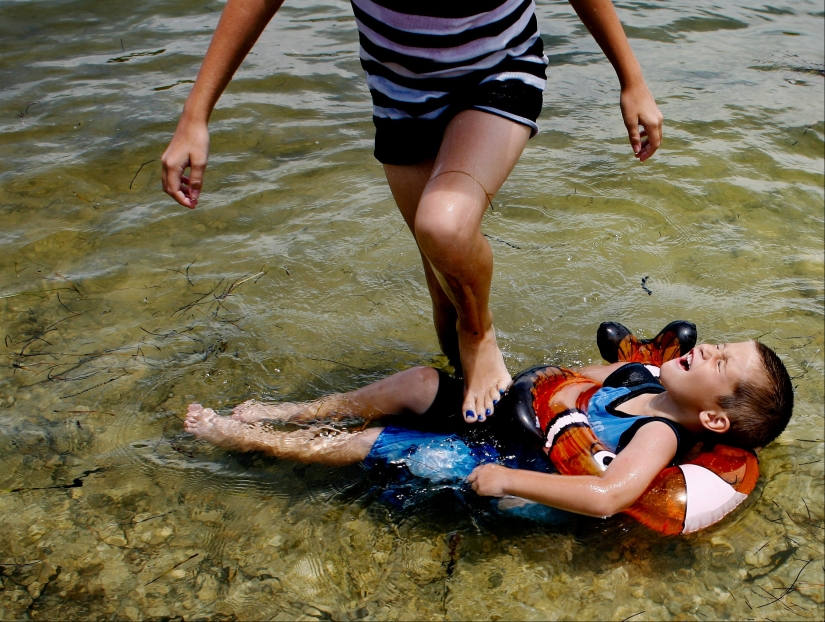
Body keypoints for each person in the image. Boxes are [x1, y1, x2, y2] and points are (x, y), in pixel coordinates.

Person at [161, 1, 665, 423]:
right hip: (401, 98)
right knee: (445, 298)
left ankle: (481, 336)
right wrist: (195, 115)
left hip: (499, 70)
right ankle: (469, 409)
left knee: (444, 225)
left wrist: (632, 79)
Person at [183, 339, 793, 518]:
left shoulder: (658, 434)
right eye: (720, 343)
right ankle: (292, 413)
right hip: (520, 421)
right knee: (420, 381)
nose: (707, 346)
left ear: (713, 418)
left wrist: (504, 480)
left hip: (516, 460)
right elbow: (566, 377)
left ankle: (255, 440)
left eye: (720, 362)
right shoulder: (638, 374)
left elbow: (607, 496)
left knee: (380, 445)